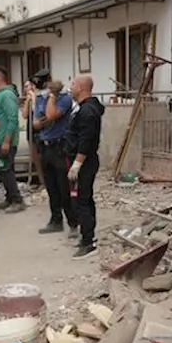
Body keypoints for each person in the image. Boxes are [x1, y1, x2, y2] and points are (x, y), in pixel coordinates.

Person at [29, 68, 77, 237]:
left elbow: (50, 115)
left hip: (59, 147)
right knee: (51, 188)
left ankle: (73, 223)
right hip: (45, 146)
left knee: (64, 188)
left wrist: (52, 96)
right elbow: (36, 122)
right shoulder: (41, 97)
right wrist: (43, 119)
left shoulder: (64, 98)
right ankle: (56, 220)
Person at [65, 75, 103, 259]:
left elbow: (86, 140)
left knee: (82, 201)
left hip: (84, 162)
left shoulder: (88, 111)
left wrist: (77, 164)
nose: (70, 87)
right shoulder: (81, 108)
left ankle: (88, 241)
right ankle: (87, 235)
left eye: (72, 84)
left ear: (80, 87)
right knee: (83, 199)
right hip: (79, 159)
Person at [0, 66, 24, 212]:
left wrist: (7, 140)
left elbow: (12, 118)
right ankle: (9, 198)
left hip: (5, 140)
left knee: (6, 169)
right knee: (2, 170)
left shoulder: (7, 94)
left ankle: (17, 200)